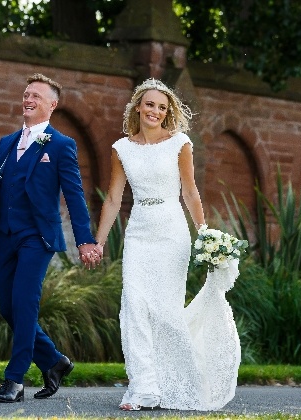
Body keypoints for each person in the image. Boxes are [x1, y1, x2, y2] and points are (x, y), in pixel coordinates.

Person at [93, 78, 240, 411]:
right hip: (139, 233)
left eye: (161, 107)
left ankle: (169, 382)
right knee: (133, 302)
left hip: (172, 232)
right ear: (138, 107)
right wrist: (98, 242)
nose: (155, 111)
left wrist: (205, 234)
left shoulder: (180, 143)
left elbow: (189, 192)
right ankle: (143, 386)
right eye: (149, 104)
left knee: (165, 310)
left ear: (168, 111)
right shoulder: (121, 149)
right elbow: (114, 198)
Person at [0, 73, 102, 403]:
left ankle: (14, 380)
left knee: (24, 304)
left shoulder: (61, 145)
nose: (28, 99)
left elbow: (75, 196)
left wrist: (85, 240)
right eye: (25, 94)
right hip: (6, 234)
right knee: (8, 308)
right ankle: (54, 361)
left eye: (35, 95)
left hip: (38, 238)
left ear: (52, 104)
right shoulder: (7, 143)